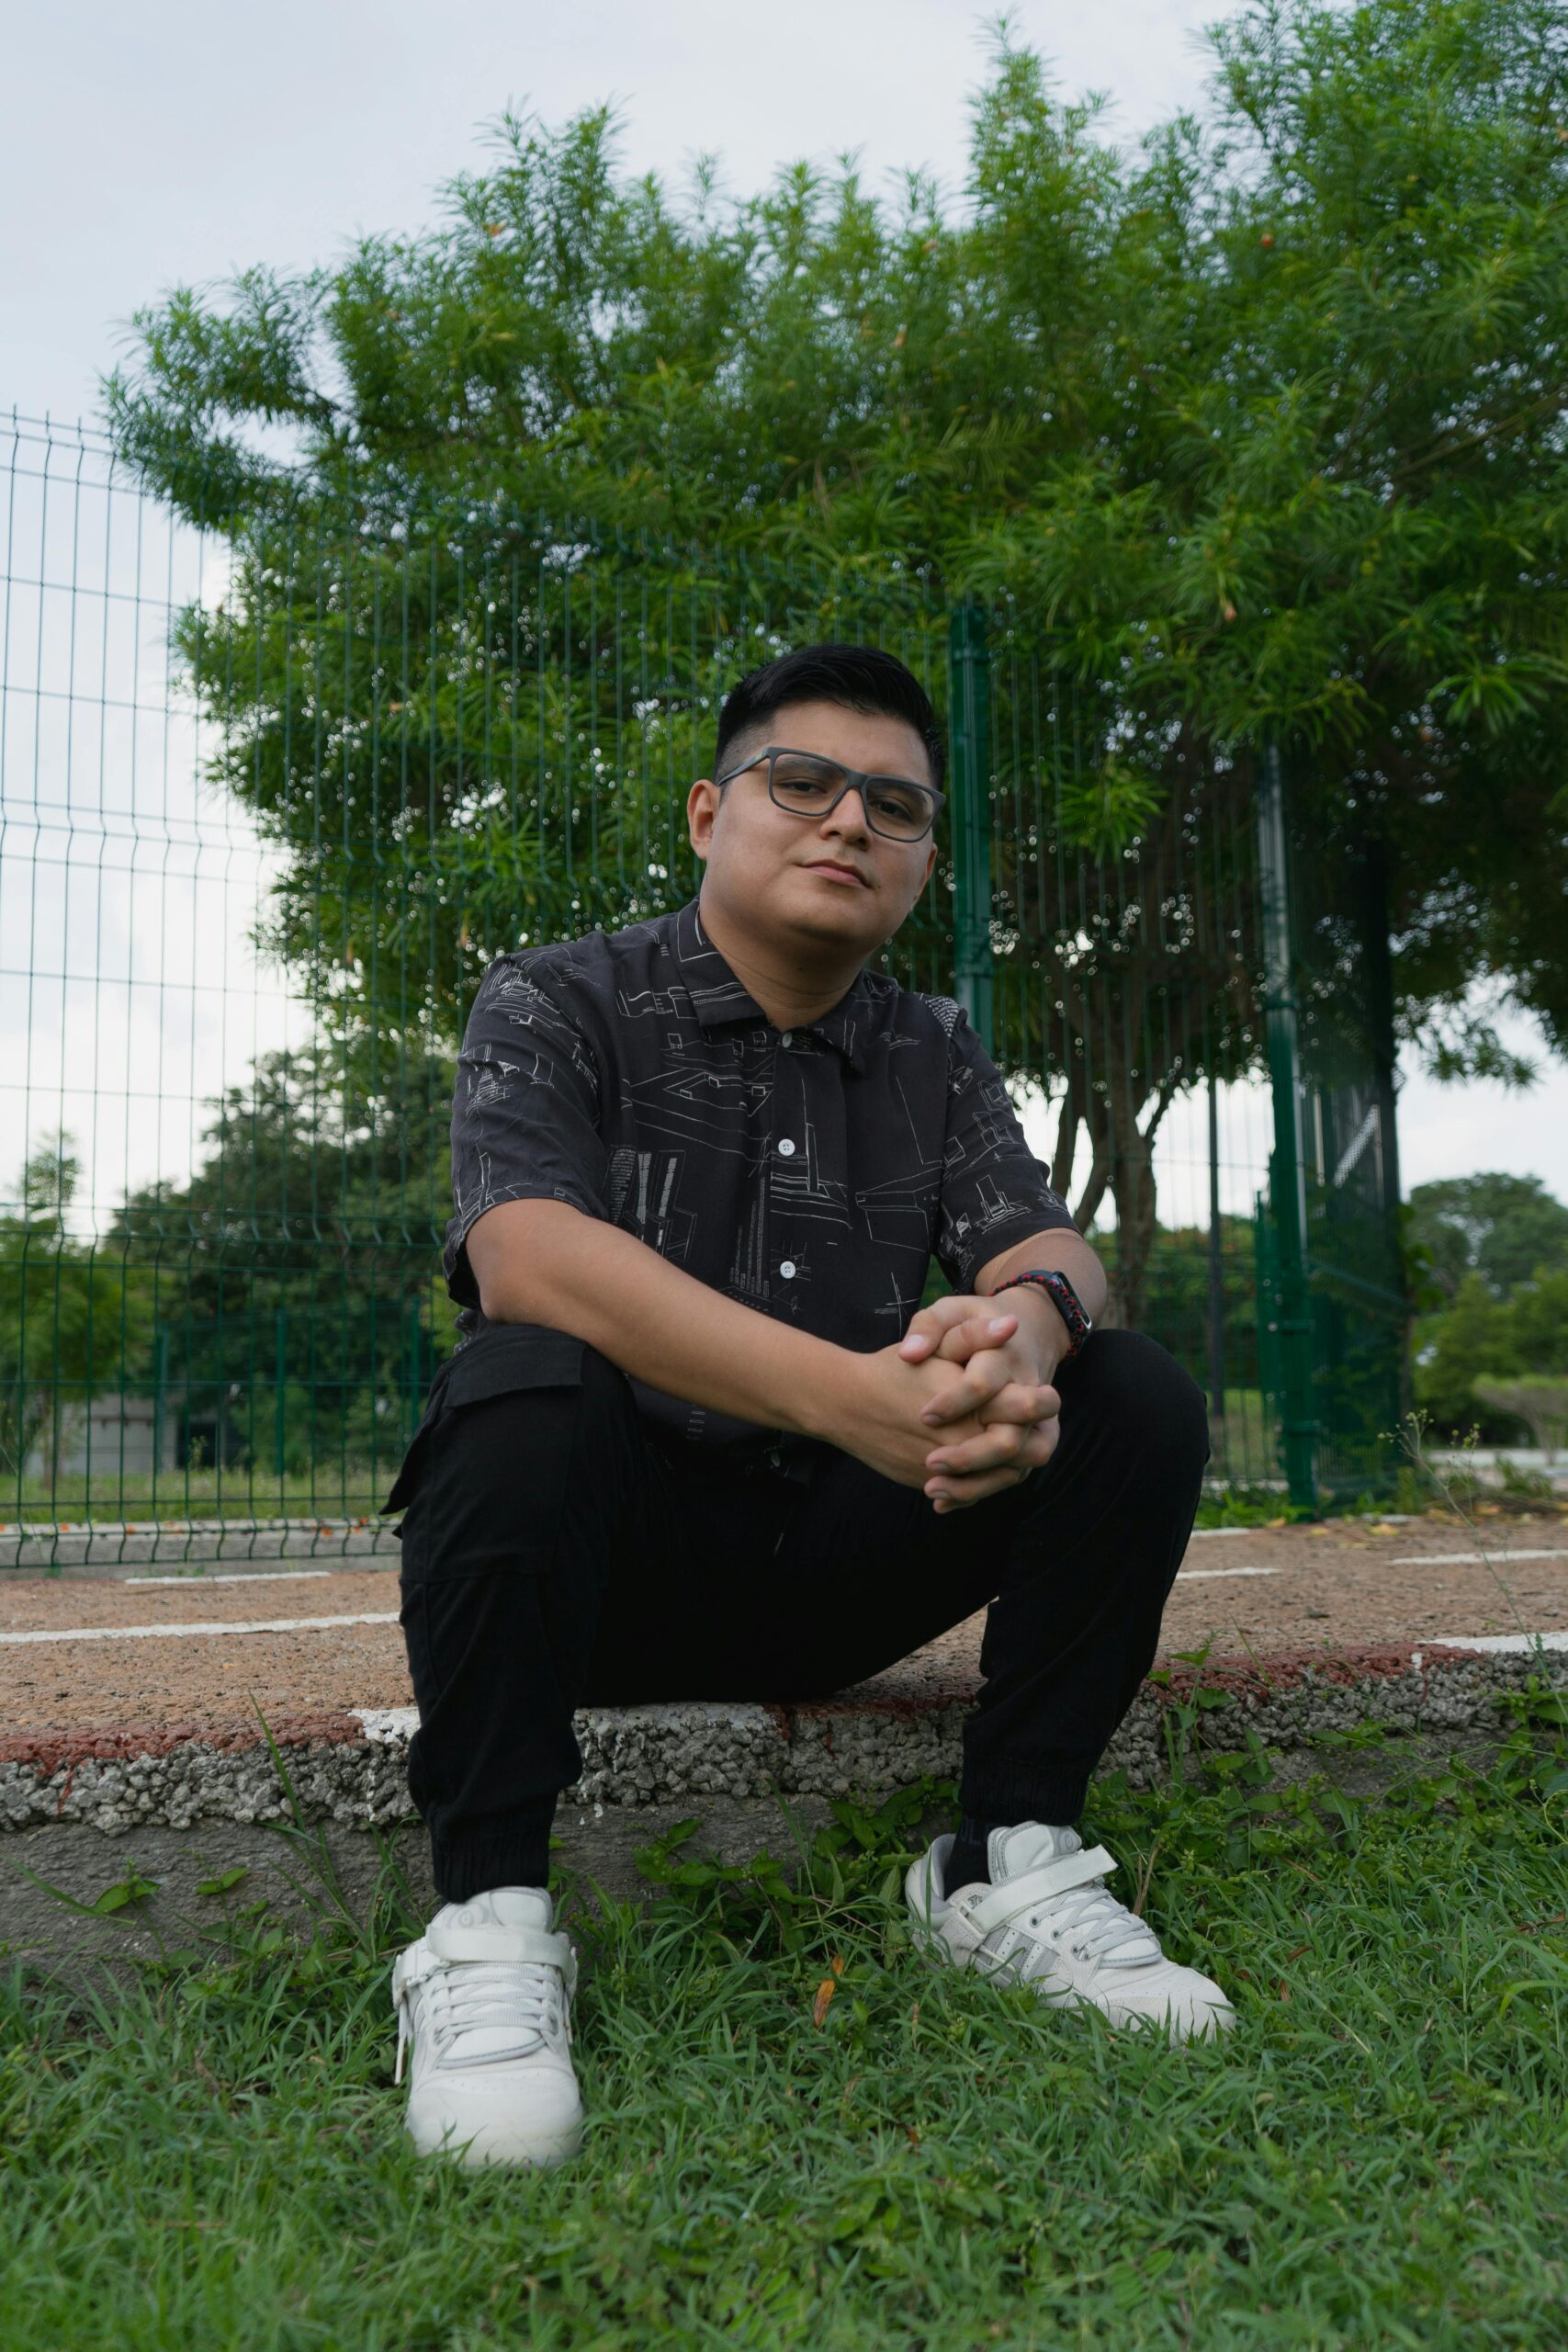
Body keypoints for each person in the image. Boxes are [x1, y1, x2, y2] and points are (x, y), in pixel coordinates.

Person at [385, 643, 1231, 2169]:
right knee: (519, 1375)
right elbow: (524, 1254)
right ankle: (489, 1919)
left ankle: (1006, 1857)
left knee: (1133, 1393)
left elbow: (1040, 1235)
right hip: (607, 1570)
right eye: (804, 783)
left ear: (918, 864)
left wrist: (1025, 1338)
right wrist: (851, 1398)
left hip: (845, 1565)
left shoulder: (930, 1044)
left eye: (894, 807)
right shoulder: (558, 998)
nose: (849, 821)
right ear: (712, 813)